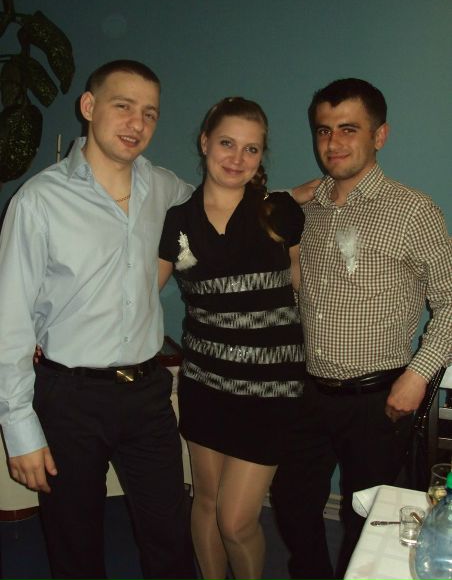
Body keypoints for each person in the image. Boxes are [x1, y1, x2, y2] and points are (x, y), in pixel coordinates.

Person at [0, 60, 196, 579]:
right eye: (123, 106)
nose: (137, 123)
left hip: (147, 393)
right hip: (69, 399)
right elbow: (8, 322)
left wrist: (290, 198)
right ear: (89, 107)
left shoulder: (164, 187)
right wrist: (20, 430)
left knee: (171, 538)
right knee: (75, 545)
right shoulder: (39, 200)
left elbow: (220, 202)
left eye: (149, 113)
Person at [271, 77, 452, 580]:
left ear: (380, 135)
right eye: (323, 130)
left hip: (380, 398)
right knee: (291, 501)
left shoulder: (413, 210)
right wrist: (288, 195)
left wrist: (417, 375)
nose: (333, 143)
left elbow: (450, 302)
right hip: (311, 391)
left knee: (368, 519)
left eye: (348, 129)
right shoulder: (307, 208)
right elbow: (244, 207)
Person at [158, 97, 306, 580]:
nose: (237, 158)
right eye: (227, 143)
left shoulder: (279, 212)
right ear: (204, 143)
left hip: (270, 391)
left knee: (236, 520)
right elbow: (139, 294)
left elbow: (302, 287)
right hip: (205, 383)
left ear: (262, 157)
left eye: (251, 149)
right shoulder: (177, 221)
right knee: (204, 501)